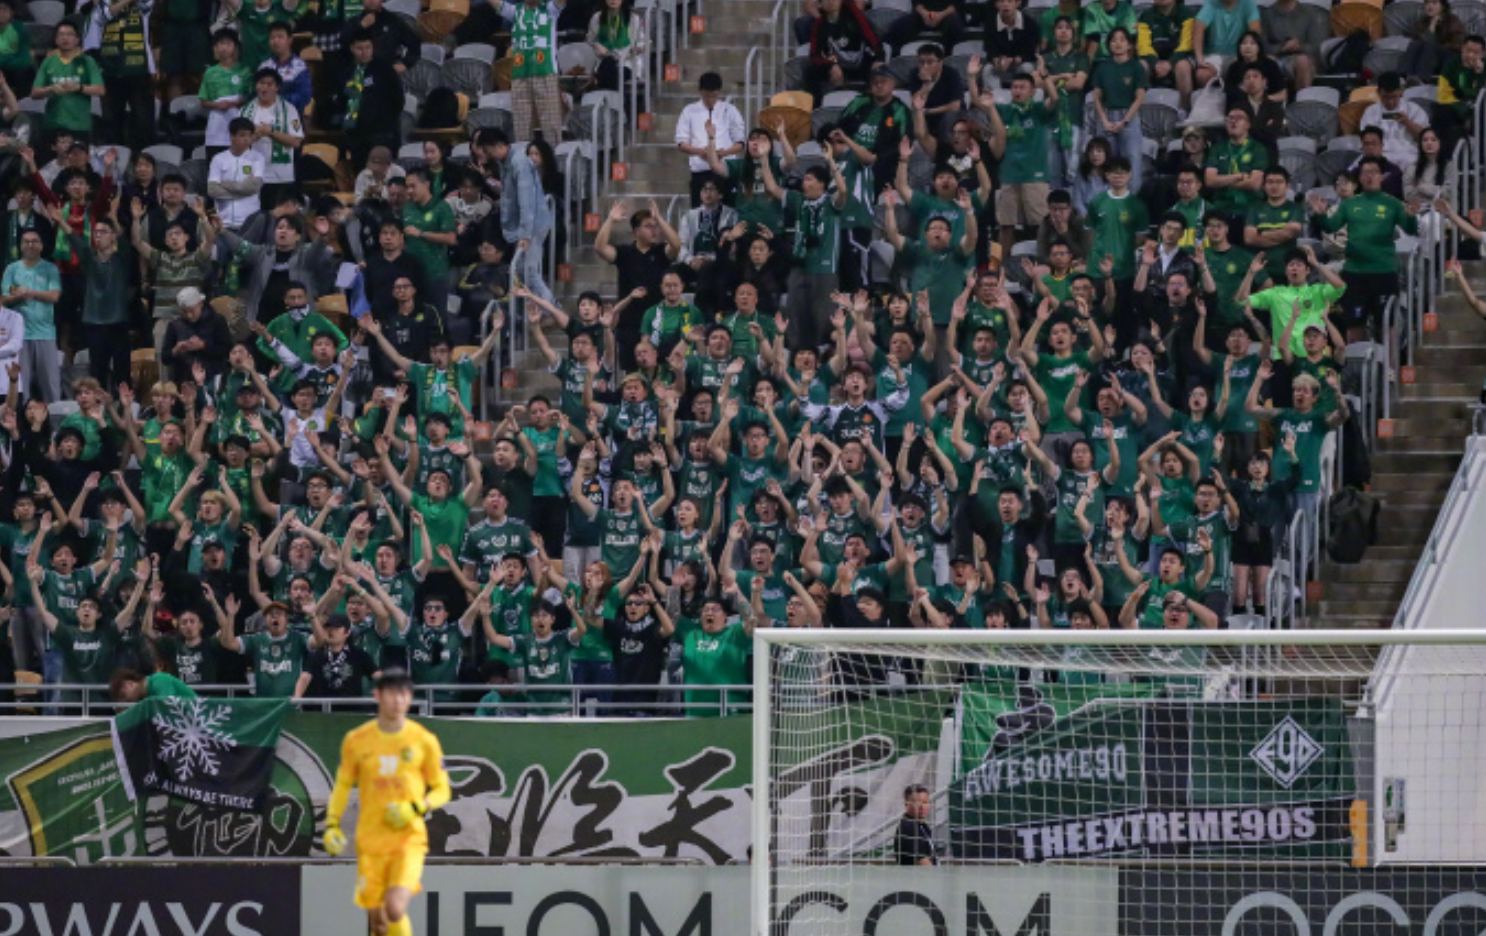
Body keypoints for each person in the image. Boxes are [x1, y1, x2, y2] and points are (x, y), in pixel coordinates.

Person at [322, 668, 451, 936]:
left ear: (410, 698)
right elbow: (343, 785)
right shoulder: (356, 740)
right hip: (371, 840)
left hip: (408, 838)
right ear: (377, 695)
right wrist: (332, 823)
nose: (398, 700)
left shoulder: (424, 740)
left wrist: (415, 807)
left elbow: (442, 790)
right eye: (392, 693)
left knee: (394, 908)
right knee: (379, 923)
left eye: (404, 694)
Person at [1306, 157, 1419, 338]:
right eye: (1365, 172)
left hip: (1384, 272)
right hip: (1355, 273)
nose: (1369, 176)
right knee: (1354, 326)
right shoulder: (1349, 204)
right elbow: (1330, 226)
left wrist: (1412, 217)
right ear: (1359, 178)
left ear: (1381, 176)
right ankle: (1355, 357)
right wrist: (1320, 215)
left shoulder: (1393, 203)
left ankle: (1390, 358)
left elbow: (1411, 229)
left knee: (1387, 325)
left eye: (1374, 172)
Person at [1, 228, 61, 401]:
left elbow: (54, 296)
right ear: (20, 246)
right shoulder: (11, 269)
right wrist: (18, 296)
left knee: (51, 385)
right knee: (21, 385)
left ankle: (54, 419)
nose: (30, 245)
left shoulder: (50, 269)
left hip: (45, 333)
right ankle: (21, 417)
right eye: (26, 241)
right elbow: (4, 299)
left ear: (41, 246)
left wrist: (30, 292)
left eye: (34, 241)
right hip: (18, 337)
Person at [495, 0, 565, 143]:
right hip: (519, 74)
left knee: (550, 123)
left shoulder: (550, 9)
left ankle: (553, 155)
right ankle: (523, 156)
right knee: (521, 125)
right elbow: (497, 4)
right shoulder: (515, 11)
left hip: (545, 72)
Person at [335, 28, 406, 167]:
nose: (364, 52)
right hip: (357, 137)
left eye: (368, 47)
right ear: (352, 48)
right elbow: (342, 102)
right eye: (360, 48)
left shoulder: (384, 69)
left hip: (383, 135)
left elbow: (398, 100)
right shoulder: (346, 72)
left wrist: (386, 126)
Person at [31, 22, 105, 149]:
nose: (65, 38)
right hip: (52, 123)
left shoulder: (87, 61)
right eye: (61, 35)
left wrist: (79, 87)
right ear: (56, 40)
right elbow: (34, 93)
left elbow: (100, 90)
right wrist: (50, 89)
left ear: (77, 39)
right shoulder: (48, 62)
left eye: (70, 34)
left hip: (80, 125)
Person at [675, 72, 744, 207]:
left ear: (719, 92)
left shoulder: (730, 110)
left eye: (714, 95)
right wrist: (701, 152)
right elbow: (681, 142)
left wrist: (723, 153)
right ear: (700, 92)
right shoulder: (689, 111)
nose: (710, 99)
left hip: (725, 170)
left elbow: (740, 143)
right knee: (699, 212)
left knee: (728, 210)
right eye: (707, 96)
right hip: (700, 171)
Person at [239, 67, 304, 209]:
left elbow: (296, 142)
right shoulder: (244, 111)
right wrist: (255, 135)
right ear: (256, 86)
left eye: (269, 84)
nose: (265, 88)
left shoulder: (289, 110)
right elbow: (237, 146)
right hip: (252, 176)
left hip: (280, 176)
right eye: (261, 83)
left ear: (277, 88)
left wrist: (271, 132)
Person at [1360, 72, 1430, 176]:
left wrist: (1408, 123)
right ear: (1378, 92)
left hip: (1409, 156)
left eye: (1394, 97)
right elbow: (1366, 140)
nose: (1390, 102)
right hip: (1380, 157)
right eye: (1385, 97)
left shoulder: (1414, 109)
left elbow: (1425, 138)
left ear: (1401, 92)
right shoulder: (1370, 112)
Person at [208, 117, 268, 231]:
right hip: (223, 222)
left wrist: (225, 184)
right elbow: (212, 190)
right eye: (242, 135)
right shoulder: (218, 159)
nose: (246, 139)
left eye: (249, 135)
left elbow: (254, 187)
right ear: (232, 136)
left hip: (251, 222)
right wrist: (243, 190)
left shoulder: (258, 158)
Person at [895, 783, 938, 865]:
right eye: (917, 803)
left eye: (925, 802)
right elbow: (923, 863)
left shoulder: (922, 826)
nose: (922, 807)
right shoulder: (908, 827)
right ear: (906, 804)